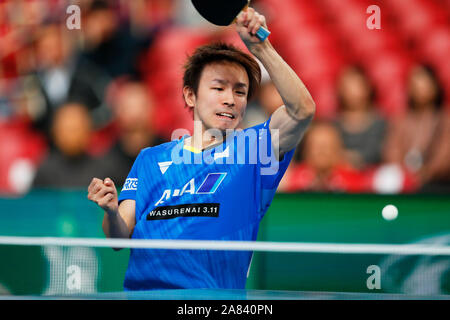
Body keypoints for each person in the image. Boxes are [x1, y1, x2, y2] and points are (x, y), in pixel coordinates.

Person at [87, 8, 315, 291]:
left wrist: (261, 47)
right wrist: (110, 211)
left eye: (240, 92)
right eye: (218, 88)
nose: (230, 99)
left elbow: (302, 111)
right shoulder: (150, 159)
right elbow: (118, 239)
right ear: (190, 95)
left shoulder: (254, 151)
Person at [383, 65, 450, 192]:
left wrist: (426, 173)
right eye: (415, 85)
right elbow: (392, 150)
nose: (419, 89)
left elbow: (445, 156)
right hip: (404, 182)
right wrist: (405, 173)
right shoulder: (400, 120)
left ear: (435, 87)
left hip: (439, 184)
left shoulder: (446, 120)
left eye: (424, 84)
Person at [334, 66, 386, 169]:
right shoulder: (332, 125)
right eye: (347, 86)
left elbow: (380, 153)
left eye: (355, 85)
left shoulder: (380, 124)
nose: (351, 91)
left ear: (367, 88)